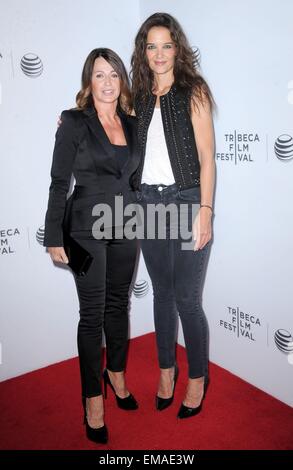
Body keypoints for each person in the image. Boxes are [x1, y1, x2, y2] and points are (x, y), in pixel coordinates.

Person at [44, 48, 140, 444]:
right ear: (89, 81)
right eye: (99, 75)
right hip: (85, 227)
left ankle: (115, 374)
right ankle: (92, 399)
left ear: (122, 80)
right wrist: (52, 235)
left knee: (119, 303)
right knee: (92, 314)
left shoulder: (134, 124)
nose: (107, 82)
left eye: (113, 74)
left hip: (128, 224)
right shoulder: (73, 121)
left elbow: (138, 176)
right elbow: (58, 182)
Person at [131, 12, 215, 419]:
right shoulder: (139, 95)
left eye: (166, 45)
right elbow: (103, 116)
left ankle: (197, 377)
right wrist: (73, 120)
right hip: (147, 205)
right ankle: (167, 372)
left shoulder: (193, 90)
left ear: (177, 49)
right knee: (161, 294)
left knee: (186, 298)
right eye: (152, 45)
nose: (159, 53)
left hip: (186, 203)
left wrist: (206, 211)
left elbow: (208, 159)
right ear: (143, 51)